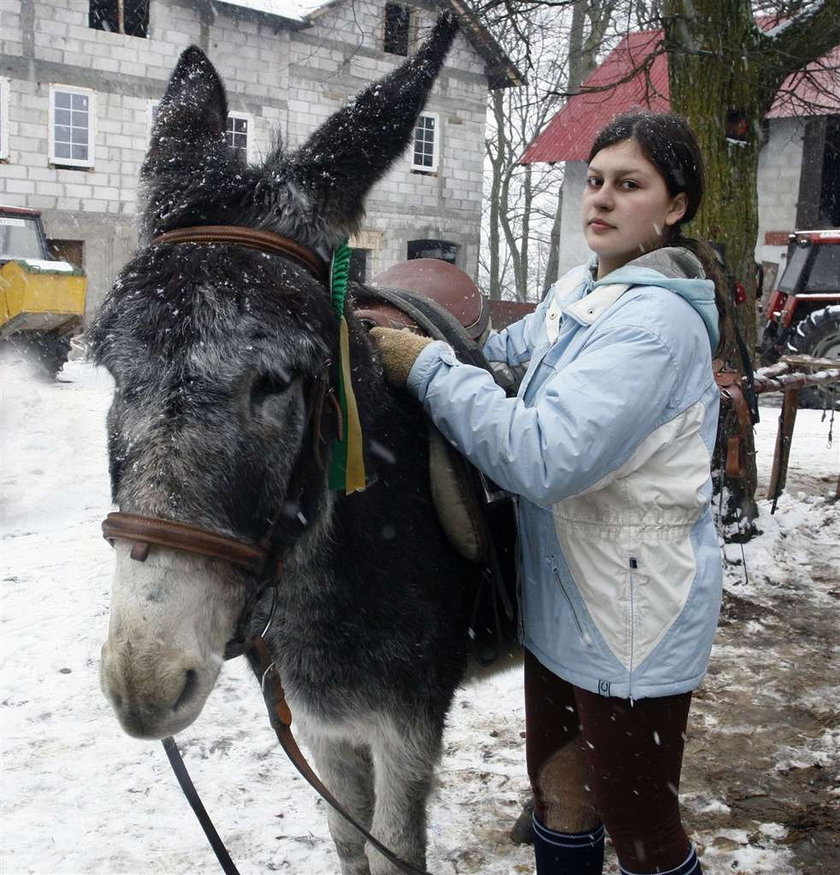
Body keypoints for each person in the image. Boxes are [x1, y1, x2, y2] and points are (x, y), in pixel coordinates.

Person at [371, 111, 728, 875]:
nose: (599, 199)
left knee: (639, 825)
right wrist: (407, 329)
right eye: (594, 181)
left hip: (633, 611)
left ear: (675, 206)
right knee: (559, 792)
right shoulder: (582, 292)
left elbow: (543, 454)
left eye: (628, 185)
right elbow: (499, 358)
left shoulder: (655, 325)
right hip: (565, 591)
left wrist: (426, 367)